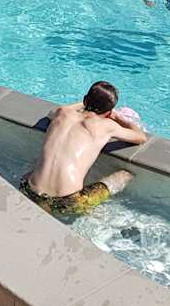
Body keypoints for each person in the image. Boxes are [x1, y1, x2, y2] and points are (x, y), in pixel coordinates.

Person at [21, 81, 146, 217]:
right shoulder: (107, 126)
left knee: (36, 168)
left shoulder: (62, 113)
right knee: (124, 176)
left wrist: (84, 103)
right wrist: (117, 116)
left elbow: (51, 113)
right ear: (109, 113)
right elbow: (141, 137)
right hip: (67, 203)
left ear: (85, 100)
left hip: (28, 190)